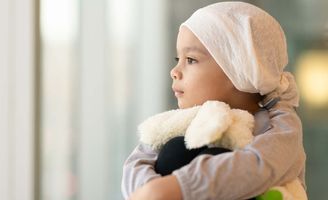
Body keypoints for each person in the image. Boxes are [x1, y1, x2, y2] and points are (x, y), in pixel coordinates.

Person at [121, 2, 307, 200]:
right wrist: (152, 189)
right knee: (175, 150)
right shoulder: (182, 121)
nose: (174, 72)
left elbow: (262, 163)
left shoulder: (278, 126)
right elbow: (138, 162)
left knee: (211, 153)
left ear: (238, 69)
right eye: (178, 59)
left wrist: (182, 186)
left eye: (191, 60)